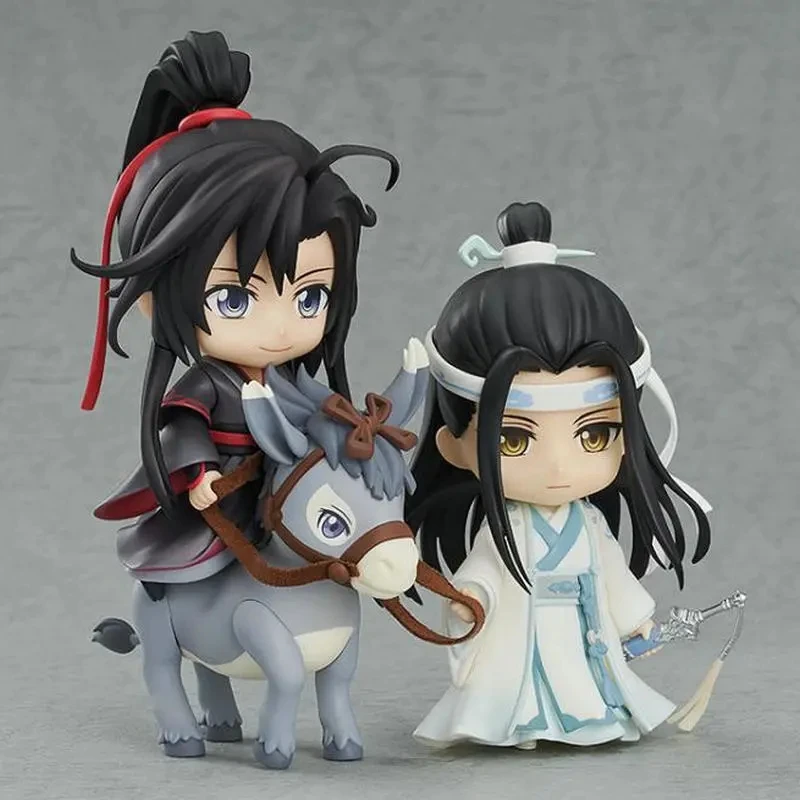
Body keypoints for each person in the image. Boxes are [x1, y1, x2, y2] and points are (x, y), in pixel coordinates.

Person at [70, 31, 398, 598]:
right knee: (199, 569)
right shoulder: (209, 385)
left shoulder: (292, 381)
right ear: (153, 296)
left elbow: (323, 418)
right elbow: (184, 429)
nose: (280, 327)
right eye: (235, 300)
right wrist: (201, 474)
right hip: (227, 491)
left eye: (310, 298)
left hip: (294, 494)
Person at [407, 201, 712, 748]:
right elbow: (483, 573)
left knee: (585, 683)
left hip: (582, 626)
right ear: (453, 446)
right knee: (525, 683)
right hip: (523, 627)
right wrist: (471, 597)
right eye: (513, 440)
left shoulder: (587, 525)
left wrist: (635, 621)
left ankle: (594, 718)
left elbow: (612, 575)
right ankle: (524, 723)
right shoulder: (508, 531)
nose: (558, 467)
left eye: (594, 435)